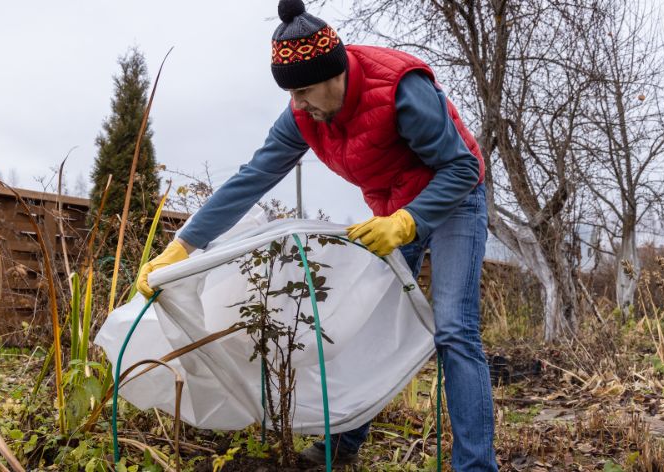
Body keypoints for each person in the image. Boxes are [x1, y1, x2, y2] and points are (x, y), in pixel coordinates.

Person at [136, 0, 497, 469]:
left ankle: (475, 464)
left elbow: (462, 167)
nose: (298, 103)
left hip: (453, 199)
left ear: (337, 73)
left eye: (304, 91)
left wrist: (409, 222)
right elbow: (252, 177)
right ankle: (340, 445)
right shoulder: (304, 114)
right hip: (390, 208)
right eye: (291, 94)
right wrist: (182, 246)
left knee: (454, 329)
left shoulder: (401, 90)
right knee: (368, 326)